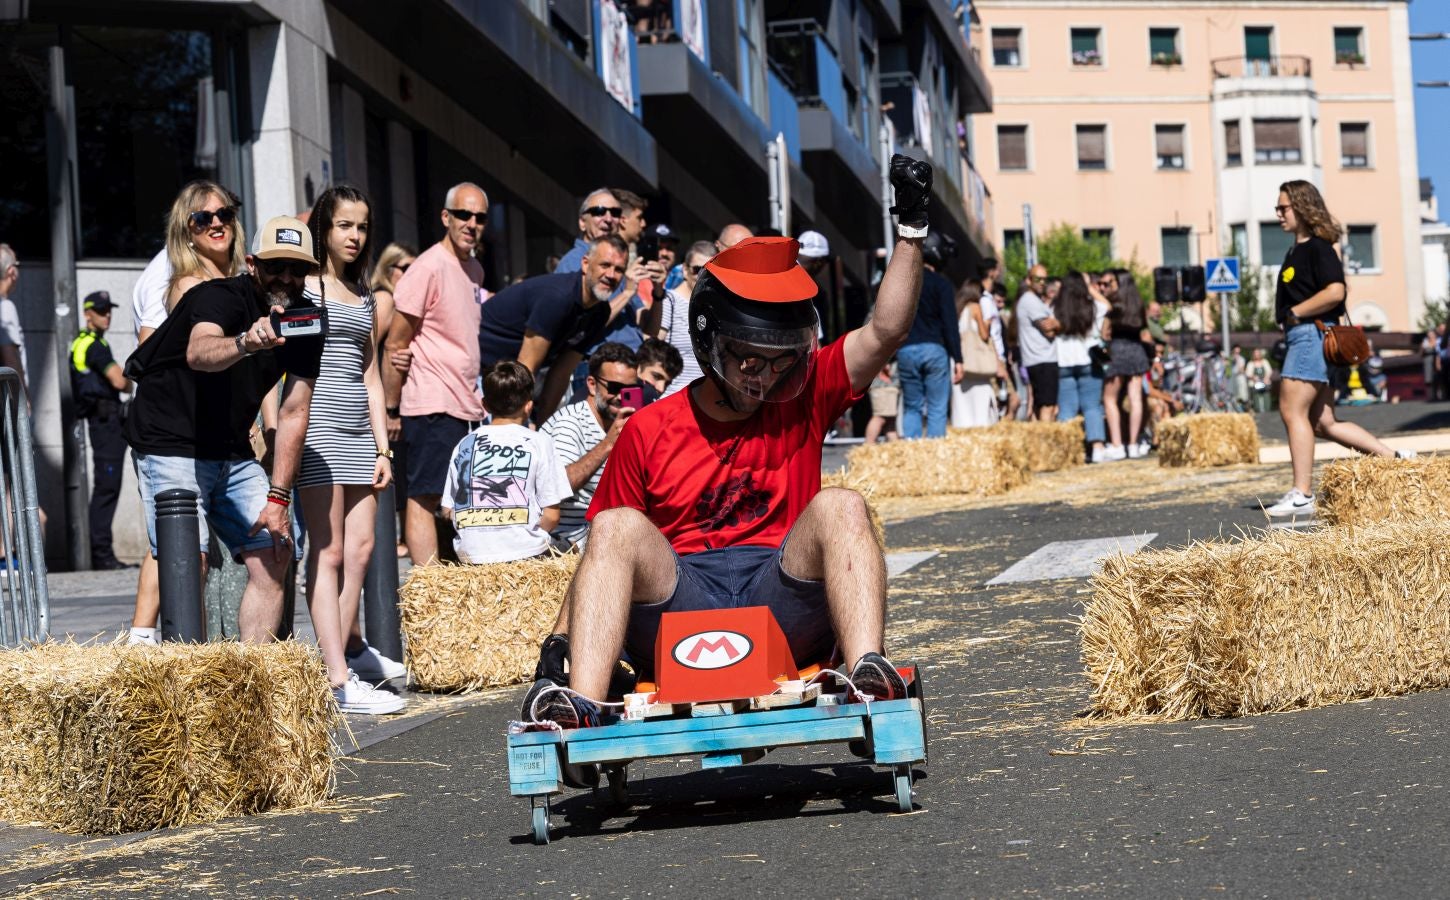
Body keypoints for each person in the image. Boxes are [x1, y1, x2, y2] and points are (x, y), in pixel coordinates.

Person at [522, 155, 935, 732]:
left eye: (775, 363)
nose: (759, 377)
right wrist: (558, 639)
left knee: (844, 505)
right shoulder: (648, 428)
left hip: (780, 590)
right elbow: (604, 553)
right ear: (710, 343)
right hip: (682, 600)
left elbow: (886, 330)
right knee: (615, 524)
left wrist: (911, 229)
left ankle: (868, 671)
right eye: (745, 357)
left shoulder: (805, 395)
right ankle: (582, 705)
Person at [122, 215, 323, 644]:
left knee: (274, 549)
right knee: (186, 558)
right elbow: (199, 352)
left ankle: (251, 680)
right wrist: (246, 343)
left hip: (229, 447)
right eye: (276, 265)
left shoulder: (306, 321)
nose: (287, 277)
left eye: (299, 268)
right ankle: (184, 680)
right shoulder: (217, 297)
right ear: (252, 264)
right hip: (167, 438)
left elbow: (293, 413)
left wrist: (279, 496)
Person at [293, 185, 405, 714]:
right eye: (344, 226)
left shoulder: (363, 295)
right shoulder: (303, 289)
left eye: (362, 226)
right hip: (315, 431)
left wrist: (383, 447)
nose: (355, 236)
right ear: (324, 228)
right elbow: (282, 373)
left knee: (360, 551)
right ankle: (337, 679)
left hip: (361, 433)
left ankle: (340, 657)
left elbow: (371, 373)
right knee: (329, 551)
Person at [127, 181, 248, 645]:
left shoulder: (233, 275)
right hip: (174, 433)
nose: (217, 223)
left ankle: (224, 658)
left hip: (215, 433)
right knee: (181, 546)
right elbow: (150, 356)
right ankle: (149, 644)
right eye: (203, 218)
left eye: (225, 214)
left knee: (193, 545)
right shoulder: (171, 278)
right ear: (186, 228)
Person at [1266, 180, 1404, 518]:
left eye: (1283, 208)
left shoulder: (1317, 247)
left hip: (1310, 337)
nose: (1279, 214)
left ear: (1301, 207)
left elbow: (1335, 291)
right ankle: (1394, 460)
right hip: (1307, 336)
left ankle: (1302, 493)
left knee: (1292, 411)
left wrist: (1296, 312)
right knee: (1323, 421)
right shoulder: (1297, 249)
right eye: (1278, 208)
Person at [383, 183, 489, 566]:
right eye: (463, 214)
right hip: (431, 401)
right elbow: (397, 343)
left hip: (466, 405)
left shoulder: (474, 268)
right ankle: (428, 592)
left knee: (455, 500)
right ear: (446, 217)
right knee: (425, 495)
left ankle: (447, 587)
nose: (471, 223)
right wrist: (391, 410)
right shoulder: (426, 267)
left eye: (480, 217)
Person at [478, 235, 625, 421]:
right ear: (586, 264)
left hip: (509, 376)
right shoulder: (557, 297)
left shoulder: (600, 313)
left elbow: (562, 373)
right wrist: (517, 426)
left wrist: (543, 426)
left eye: (619, 269)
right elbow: (526, 366)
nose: (611, 275)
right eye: (605, 265)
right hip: (478, 368)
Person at [440, 361, 570, 563]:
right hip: (526, 554)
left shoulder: (465, 444)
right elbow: (552, 517)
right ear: (529, 405)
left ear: (485, 405)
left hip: (472, 556)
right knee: (571, 549)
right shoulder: (539, 441)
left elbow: (448, 510)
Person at [541, 342, 639, 552]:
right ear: (592, 384)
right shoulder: (570, 422)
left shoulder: (623, 424)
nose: (622, 396)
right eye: (614, 388)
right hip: (565, 541)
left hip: (598, 535)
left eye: (630, 389)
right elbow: (558, 485)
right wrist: (608, 444)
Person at [68, 291, 133, 569]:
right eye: (101, 310)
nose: (107, 315)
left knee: (106, 488)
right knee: (107, 488)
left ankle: (102, 553)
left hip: (104, 423)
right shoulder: (94, 346)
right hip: (105, 425)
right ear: (88, 314)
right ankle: (102, 555)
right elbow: (121, 382)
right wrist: (128, 380)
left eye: (109, 310)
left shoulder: (85, 343)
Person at [369, 241, 418, 560]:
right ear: (389, 270)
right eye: (406, 269)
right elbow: (369, 350)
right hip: (380, 401)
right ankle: (389, 538)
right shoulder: (385, 298)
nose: (413, 275)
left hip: (391, 400)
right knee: (390, 467)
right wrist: (388, 409)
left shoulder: (400, 300)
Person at [896, 233, 963, 438]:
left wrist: (885, 357)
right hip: (934, 349)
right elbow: (950, 325)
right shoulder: (941, 285)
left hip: (906, 350)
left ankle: (913, 451)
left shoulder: (903, 283)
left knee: (912, 406)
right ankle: (933, 454)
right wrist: (958, 359)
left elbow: (891, 321)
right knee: (936, 408)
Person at [1053, 274, 1109, 461]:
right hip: (1087, 361)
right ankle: (1098, 448)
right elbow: (1108, 306)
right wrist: (1090, 289)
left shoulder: (1055, 308)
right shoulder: (1091, 307)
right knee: (1092, 406)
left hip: (1063, 362)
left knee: (1066, 409)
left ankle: (1068, 451)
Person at [1101, 275, 1153, 459]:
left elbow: (1104, 333)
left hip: (1118, 351)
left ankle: (1117, 444)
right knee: (1136, 399)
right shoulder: (1138, 306)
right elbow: (1145, 332)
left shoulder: (1114, 307)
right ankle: (1133, 443)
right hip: (1137, 351)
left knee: (1109, 399)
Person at [657, 240, 713, 397]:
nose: (702, 275)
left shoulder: (713, 307)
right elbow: (655, 348)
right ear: (684, 270)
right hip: (673, 396)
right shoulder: (669, 301)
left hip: (703, 399)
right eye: (697, 269)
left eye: (708, 270)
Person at [950, 281, 999, 428]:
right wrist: (987, 323)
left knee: (961, 402)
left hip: (958, 360)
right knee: (980, 401)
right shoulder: (975, 307)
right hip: (976, 364)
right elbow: (984, 335)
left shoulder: (957, 309)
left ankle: (962, 428)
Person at [1016, 264, 1060, 421]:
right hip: (1042, 360)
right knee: (1047, 406)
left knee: (1041, 405)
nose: (1042, 283)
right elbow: (1049, 330)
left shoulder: (1034, 301)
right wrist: (1059, 324)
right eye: (1037, 279)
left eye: (1044, 279)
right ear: (1028, 280)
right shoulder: (1030, 301)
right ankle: (1045, 442)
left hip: (1039, 359)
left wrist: (1055, 323)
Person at [555, 189, 622, 274]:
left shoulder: (619, 259)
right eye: (599, 211)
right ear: (583, 222)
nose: (608, 219)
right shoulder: (573, 263)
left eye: (615, 213)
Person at [0, 244, 29, 400]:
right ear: (11, 271)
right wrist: (24, 402)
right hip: (9, 405)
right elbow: (11, 358)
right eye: (17, 265)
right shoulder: (5, 307)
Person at [864, 361, 901, 443]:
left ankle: (896, 446)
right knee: (879, 417)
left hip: (887, 387)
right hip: (883, 386)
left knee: (889, 420)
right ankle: (868, 446)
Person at [1246, 347, 1273, 413]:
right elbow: (1248, 373)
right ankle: (1258, 410)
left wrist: (1266, 378)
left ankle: (1267, 410)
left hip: (1264, 382)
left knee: (1266, 396)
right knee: (1256, 397)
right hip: (1255, 383)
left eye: (1258, 353)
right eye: (1255, 353)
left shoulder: (1264, 362)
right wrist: (1253, 377)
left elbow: (1269, 371)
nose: (1257, 355)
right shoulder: (1251, 363)